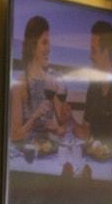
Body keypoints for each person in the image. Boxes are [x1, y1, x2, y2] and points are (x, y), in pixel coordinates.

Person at [7, 14, 70, 150]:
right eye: (44, 42)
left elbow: (63, 129)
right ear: (32, 45)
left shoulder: (53, 80)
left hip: (49, 152)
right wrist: (34, 117)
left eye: (49, 43)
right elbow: (15, 135)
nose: (49, 48)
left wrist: (59, 126)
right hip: (26, 155)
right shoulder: (19, 85)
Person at [76, 19, 112, 155]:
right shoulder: (93, 87)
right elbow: (85, 132)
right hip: (93, 159)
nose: (90, 56)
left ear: (105, 52)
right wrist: (69, 120)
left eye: (93, 51)